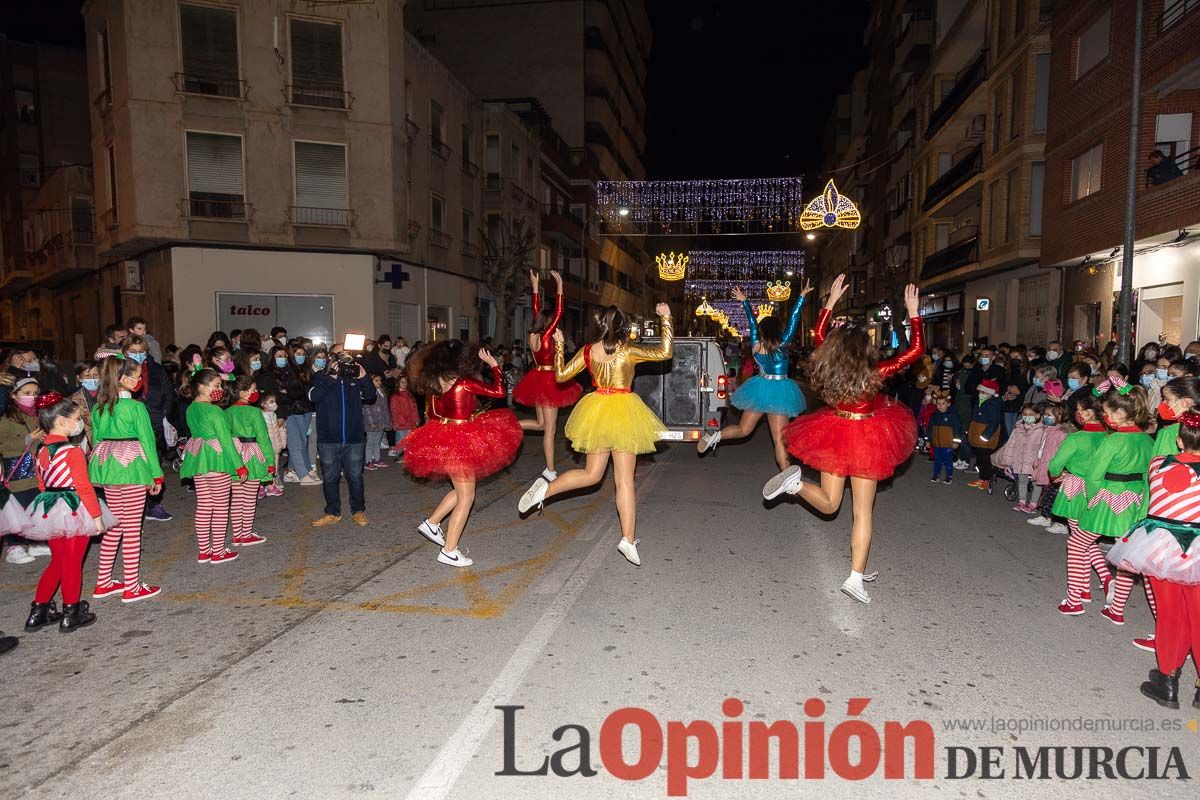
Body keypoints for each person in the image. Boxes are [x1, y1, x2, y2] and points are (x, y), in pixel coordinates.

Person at [760, 276, 923, 604]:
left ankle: (795, 486)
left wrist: (829, 303)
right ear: (866, 350)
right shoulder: (878, 371)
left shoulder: (829, 362)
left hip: (835, 430)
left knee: (830, 503)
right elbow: (917, 351)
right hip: (867, 435)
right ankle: (854, 578)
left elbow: (819, 334)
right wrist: (913, 313)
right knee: (863, 512)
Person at [517, 303, 675, 567]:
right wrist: (666, 318)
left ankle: (545, 491)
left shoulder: (589, 351)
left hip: (597, 410)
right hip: (625, 410)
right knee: (624, 481)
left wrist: (558, 347)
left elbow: (561, 375)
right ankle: (627, 538)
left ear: (599, 326)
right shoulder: (628, 350)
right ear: (623, 326)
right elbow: (665, 351)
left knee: (591, 475)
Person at [1106, 411, 1200, 709]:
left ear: (1177, 438)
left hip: (1161, 547)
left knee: (1171, 614)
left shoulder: (1158, 464)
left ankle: (1167, 681)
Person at [405, 342, 522, 566]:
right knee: (467, 497)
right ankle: (449, 550)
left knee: (461, 491)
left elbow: (432, 414)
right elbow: (498, 392)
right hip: (461, 441)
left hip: (442, 438)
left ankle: (432, 523)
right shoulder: (464, 383)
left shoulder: (433, 385)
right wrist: (495, 366)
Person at [23, 393, 116, 633]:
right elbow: (84, 487)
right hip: (74, 506)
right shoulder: (72, 451)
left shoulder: (40, 450)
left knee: (59, 561)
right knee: (73, 563)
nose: (80, 423)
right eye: (77, 418)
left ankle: (38, 610)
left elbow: (42, 484)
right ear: (63, 421)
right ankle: (71, 613)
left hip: (49, 506)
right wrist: (96, 517)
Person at [698, 282, 810, 469]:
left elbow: (752, 322)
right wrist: (801, 297)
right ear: (779, 331)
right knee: (779, 439)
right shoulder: (782, 345)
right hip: (780, 392)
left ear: (763, 331)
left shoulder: (756, 346)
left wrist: (745, 302)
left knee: (743, 429)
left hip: (760, 389)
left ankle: (716, 436)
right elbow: (793, 321)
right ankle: (786, 476)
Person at [1072, 380, 1154, 625]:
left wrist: (1092, 499)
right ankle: (1116, 609)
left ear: (1119, 413)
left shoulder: (1112, 441)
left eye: (1107, 413)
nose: (1105, 418)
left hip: (1109, 497)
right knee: (1125, 556)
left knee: (1077, 543)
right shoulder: (1148, 441)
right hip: (1136, 499)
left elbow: (1094, 475)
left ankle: (1074, 599)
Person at [87, 354, 165, 603]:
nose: (138, 380)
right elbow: (147, 441)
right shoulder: (135, 407)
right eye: (134, 376)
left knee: (115, 525)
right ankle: (132, 586)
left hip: (109, 466)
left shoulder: (100, 406)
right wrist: (156, 474)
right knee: (132, 528)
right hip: (131, 467)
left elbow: (96, 440)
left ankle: (103, 582)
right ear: (120, 378)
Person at [514, 270, 583, 480]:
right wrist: (560, 284)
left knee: (541, 424)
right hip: (549, 379)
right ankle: (550, 470)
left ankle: (512, 425)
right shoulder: (545, 335)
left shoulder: (533, 335)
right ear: (548, 324)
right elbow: (560, 311)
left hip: (536, 377)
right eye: (551, 322)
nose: (555, 324)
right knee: (550, 430)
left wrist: (535, 286)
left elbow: (536, 311)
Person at [181, 369, 247, 564]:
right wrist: (239, 465)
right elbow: (225, 440)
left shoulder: (191, 408)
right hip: (217, 458)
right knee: (220, 507)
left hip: (199, 457)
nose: (219, 389)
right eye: (216, 385)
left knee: (204, 505)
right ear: (201, 387)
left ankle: (204, 550)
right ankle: (218, 551)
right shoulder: (214, 410)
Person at [308, 353, 375, 528]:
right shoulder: (320, 377)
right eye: (340, 359)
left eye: (347, 360)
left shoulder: (354, 378)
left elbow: (370, 395)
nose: (344, 363)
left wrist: (364, 377)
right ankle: (332, 512)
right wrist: (332, 378)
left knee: (355, 476)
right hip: (328, 439)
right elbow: (313, 397)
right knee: (330, 477)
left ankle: (358, 511)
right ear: (332, 361)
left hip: (354, 438)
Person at [123, 335, 177, 523]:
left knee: (154, 462)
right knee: (133, 467)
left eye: (141, 351)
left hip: (153, 421)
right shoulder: (118, 371)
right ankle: (132, 508)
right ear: (124, 352)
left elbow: (168, 394)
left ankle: (154, 504)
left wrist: (164, 416)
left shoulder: (156, 369)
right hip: (128, 425)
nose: (138, 355)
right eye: (133, 351)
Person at [256, 345, 320, 486]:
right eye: (279, 356)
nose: (283, 359)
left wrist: (288, 392)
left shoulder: (291, 371)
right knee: (294, 444)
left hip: (299, 409)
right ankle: (302, 475)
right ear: (272, 358)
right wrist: (286, 396)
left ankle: (302, 470)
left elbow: (299, 391)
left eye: (284, 356)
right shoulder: (269, 375)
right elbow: (275, 397)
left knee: (302, 442)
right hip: (285, 412)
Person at [1, 377, 46, 564]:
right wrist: (26, 439)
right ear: (14, 395)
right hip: (18, 471)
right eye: (27, 394)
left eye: (35, 393)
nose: (32, 397)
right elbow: (3, 445)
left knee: (34, 506)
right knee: (17, 509)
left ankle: (34, 541)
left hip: (36, 471)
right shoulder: (7, 419)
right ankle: (14, 546)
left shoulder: (38, 415)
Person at [225, 376, 273, 546]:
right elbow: (263, 438)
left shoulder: (227, 412)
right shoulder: (254, 412)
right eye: (253, 390)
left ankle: (237, 534)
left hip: (235, 456)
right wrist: (270, 462)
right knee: (250, 498)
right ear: (244, 393)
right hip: (252, 456)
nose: (256, 392)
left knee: (237, 498)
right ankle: (246, 534)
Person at [994, 402, 1047, 512]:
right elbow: (1011, 445)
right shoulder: (1018, 428)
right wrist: (1007, 462)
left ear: (1037, 415)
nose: (1027, 417)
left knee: (1036, 483)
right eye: (1025, 414)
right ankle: (1022, 502)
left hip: (1034, 462)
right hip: (1019, 460)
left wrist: (1040, 461)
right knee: (1022, 481)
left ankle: (1033, 504)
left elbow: (1043, 447)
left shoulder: (1041, 430)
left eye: (1031, 414)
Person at [1027, 402, 1070, 528]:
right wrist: (1037, 461)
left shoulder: (1062, 433)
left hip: (1053, 468)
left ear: (1060, 416)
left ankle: (1051, 518)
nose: (1046, 417)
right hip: (1044, 465)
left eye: (1049, 415)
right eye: (1045, 414)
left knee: (1053, 495)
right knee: (1047, 494)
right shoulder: (1048, 430)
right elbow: (1042, 448)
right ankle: (1045, 516)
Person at [965, 379, 1003, 490]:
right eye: (981, 392)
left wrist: (986, 435)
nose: (982, 394)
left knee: (984, 459)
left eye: (985, 393)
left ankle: (985, 479)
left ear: (991, 394)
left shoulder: (992, 406)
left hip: (985, 438)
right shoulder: (980, 403)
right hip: (977, 435)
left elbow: (994, 422)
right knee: (980, 459)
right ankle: (982, 478)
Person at [928, 389, 963, 484]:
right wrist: (928, 440)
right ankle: (936, 475)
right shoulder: (934, 416)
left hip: (948, 444)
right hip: (937, 443)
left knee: (948, 461)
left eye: (943, 403)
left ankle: (949, 476)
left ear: (948, 404)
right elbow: (930, 428)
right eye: (938, 404)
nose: (940, 406)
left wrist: (956, 442)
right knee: (937, 460)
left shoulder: (953, 416)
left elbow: (957, 430)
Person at [259, 390, 286, 497]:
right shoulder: (260, 417)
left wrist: (282, 443)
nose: (274, 404)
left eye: (275, 401)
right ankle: (261, 486)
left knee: (274, 467)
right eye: (271, 401)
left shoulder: (275, 416)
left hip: (276, 447)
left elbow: (282, 429)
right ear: (263, 404)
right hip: (265, 449)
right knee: (264, 467)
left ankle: (270, 485)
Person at [363, 373, 392, 470]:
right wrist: (371, 422)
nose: (379, 382)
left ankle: (377, 459)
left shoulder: (382, 392)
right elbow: (367, 408)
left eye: (380, 380)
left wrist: (387, 421)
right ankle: (368, 461)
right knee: (370, 442)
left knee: (377, 442)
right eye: (376, 380)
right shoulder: (368, 393)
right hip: (372, 422)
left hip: (381, 421)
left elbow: (385, 408)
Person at [388, 372, 420, 459]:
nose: (404, 384)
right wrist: (398, 422)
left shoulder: (410, 395)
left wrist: (416, 419)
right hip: (401, 423)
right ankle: (399, 456)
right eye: (402, 382)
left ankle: (407, 456)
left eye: (405, 382)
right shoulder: (395, 396)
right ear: (398, 383)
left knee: (408, 440)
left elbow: (414, 408)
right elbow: (394, 411)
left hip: (410, 422)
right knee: (401, 440)